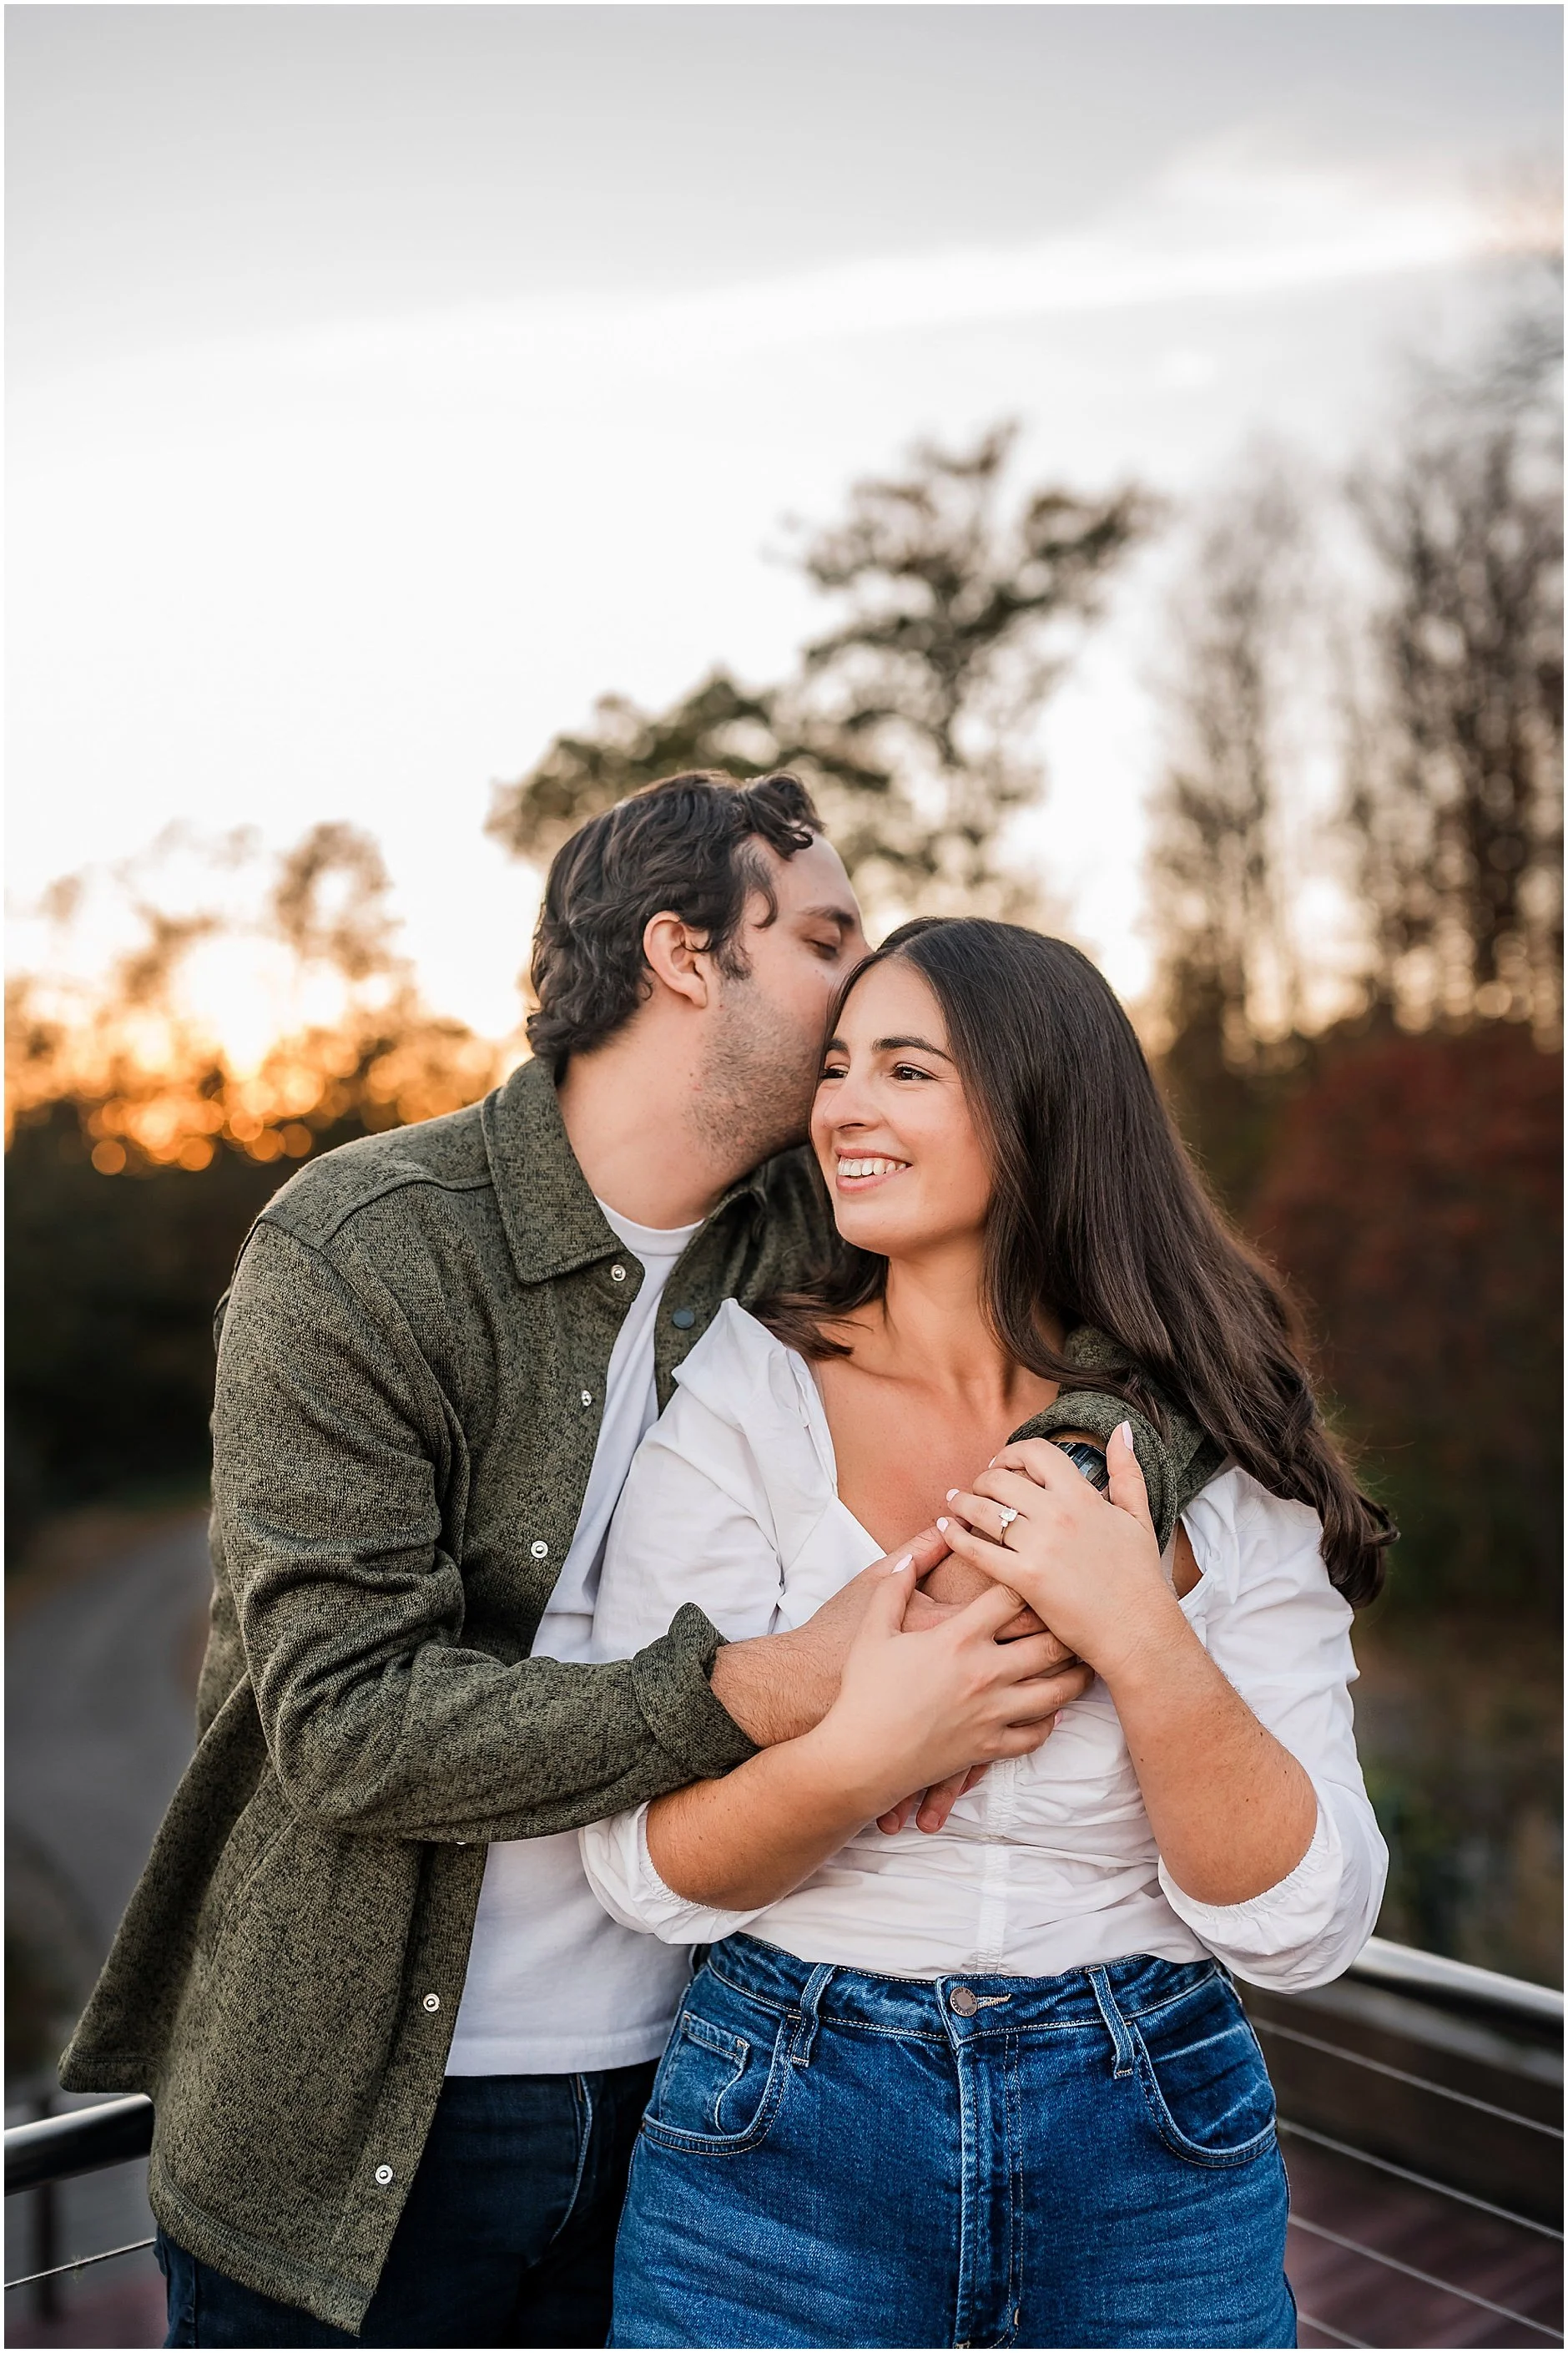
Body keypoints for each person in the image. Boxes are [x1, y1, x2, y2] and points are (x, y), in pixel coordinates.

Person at [59, 775, 1103, 2348]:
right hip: (346, 2137)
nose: (868, 983)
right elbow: (348, 1723)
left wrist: (1048, 1520)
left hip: (709, 2099)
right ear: (685, 952)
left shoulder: (821, 1245)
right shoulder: (362, 1247)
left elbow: (1134, 1336)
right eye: (824, 937)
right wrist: (775, 1685)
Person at [580, 916, 1394, 2351]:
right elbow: (644, 1867)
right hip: (778, 2127)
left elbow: (1296, 1921)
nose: (844, 1107)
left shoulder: (1211, 1435)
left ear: (1040, 1108)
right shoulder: (740, 1396)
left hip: (1150, 2131)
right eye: (838, 1067)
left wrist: (1137, 1634)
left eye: (906, 1068)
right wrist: (873, 1750)